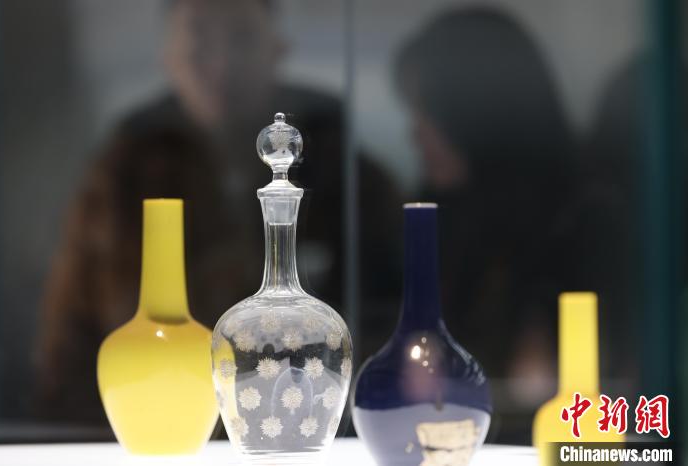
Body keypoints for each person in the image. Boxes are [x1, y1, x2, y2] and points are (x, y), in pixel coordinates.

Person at [36, 0, 400, 425]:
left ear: (276, 49)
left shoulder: (349, 176)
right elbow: (71, 328)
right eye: (199, 43)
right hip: (159, 418)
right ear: (169, 57)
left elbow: (384, 310)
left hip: (304, 419)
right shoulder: (123, 176)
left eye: (242, 39)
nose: (221, 64)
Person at [394, 7, 577, 442]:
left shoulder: (575, 225)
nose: (414, 133)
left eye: (427, 111)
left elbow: (534, 385)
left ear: (472, 113)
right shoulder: (443, 219)